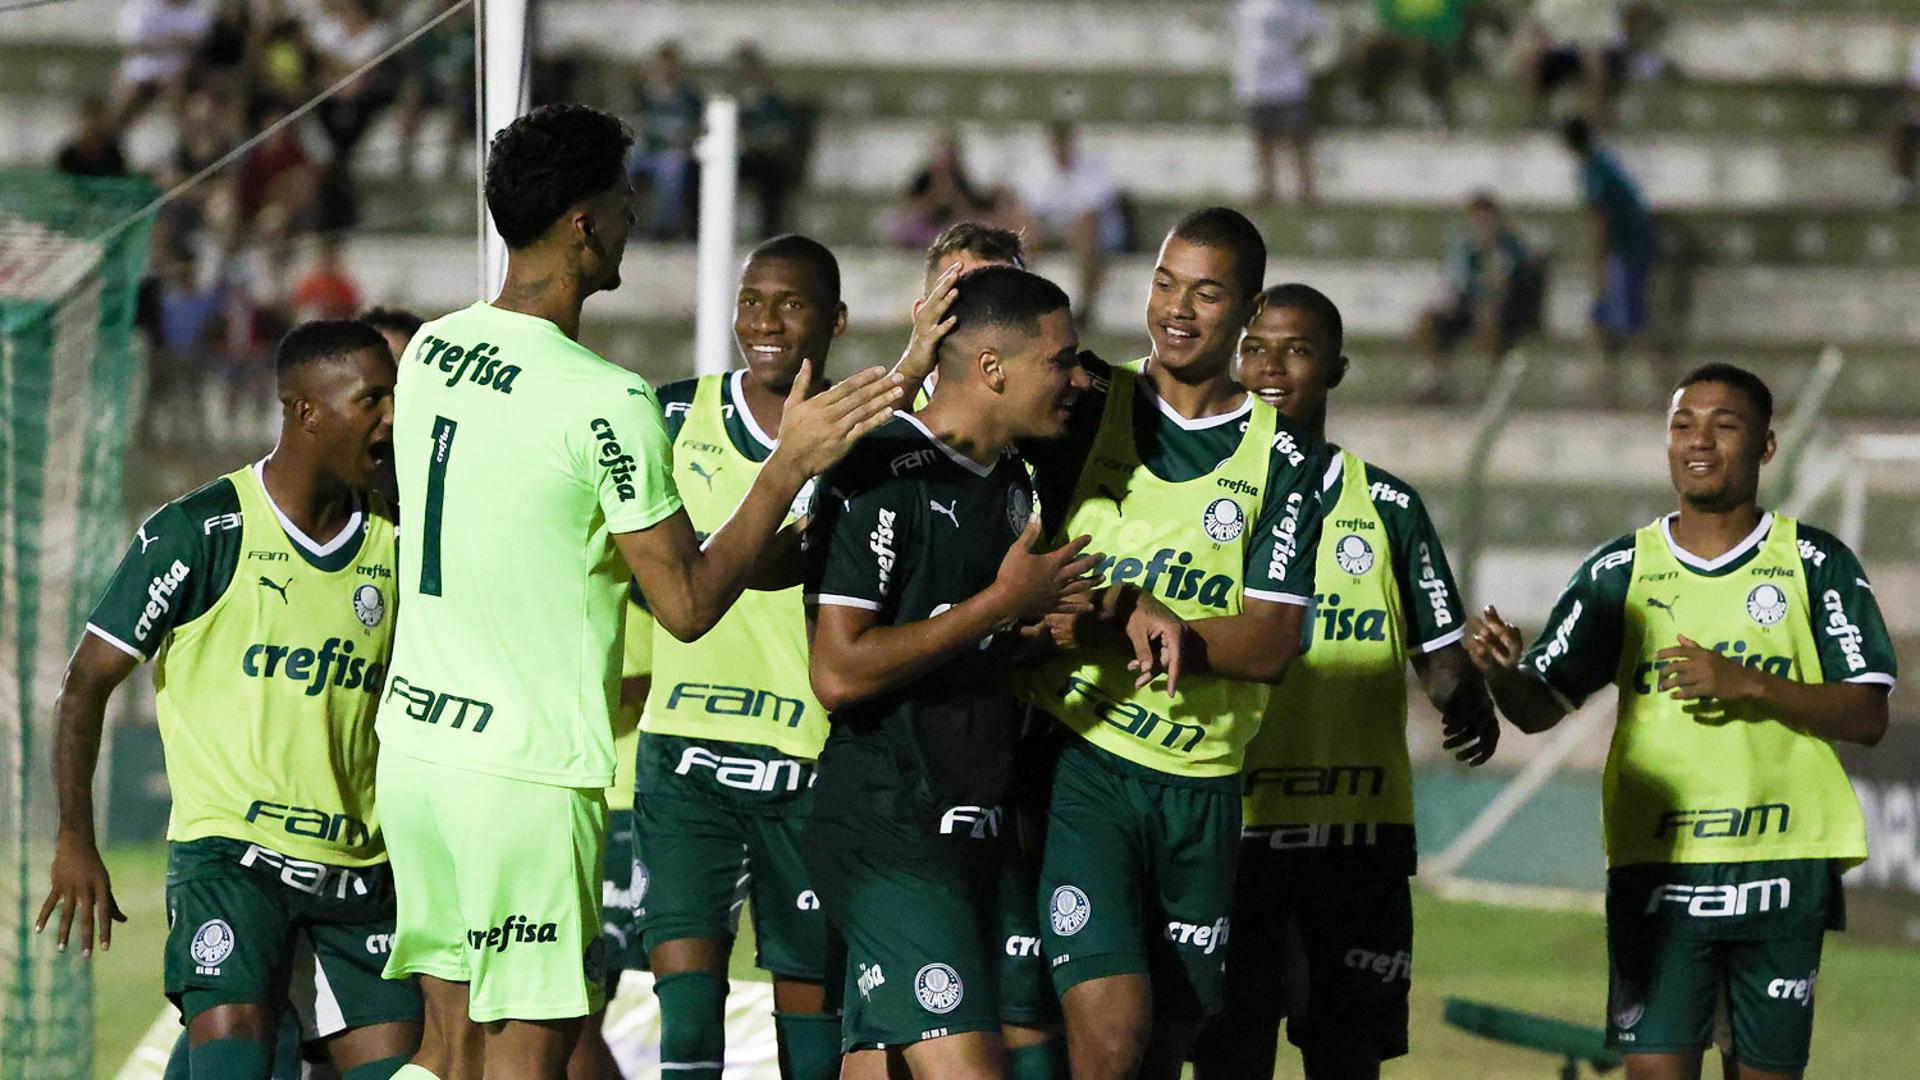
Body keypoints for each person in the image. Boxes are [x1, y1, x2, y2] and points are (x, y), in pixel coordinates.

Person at [370, 103, 899, 1080]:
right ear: (581, 223)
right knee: (526, 1056)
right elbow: (688, 605)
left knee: (446, 1050)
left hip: (416, 754)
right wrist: (785, 469)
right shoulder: (604, 399)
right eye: (621, 200)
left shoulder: (435, 353)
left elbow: (598, 539)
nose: (631, 218)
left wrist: (792, 539)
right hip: (519, 776)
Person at [1465, 364, 1896, 1080]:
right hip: (1658, 865)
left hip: (1781, 862)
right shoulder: (1618, 571)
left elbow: (1868, 712)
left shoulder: (1815, 563)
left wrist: (1747, 682)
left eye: (1724, 424)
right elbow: (1541, 709)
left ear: (1765, 446)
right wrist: (1505, 675)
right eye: (1682, 423)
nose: (1699, 440)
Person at [805, 265, 1178, 1078]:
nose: (1081, 379)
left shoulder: (1014, 483)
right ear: (992, 368)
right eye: (1062, 360)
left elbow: (989, 642)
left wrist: (1104, 616)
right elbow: (837, 672)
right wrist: (1000, 603)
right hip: (888, 824)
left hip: (969, 823)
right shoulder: (880, 470)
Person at [38, 319, 420, 1079]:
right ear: (305, 409)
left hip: (359, 867)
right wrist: (76, 840)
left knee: (406, 1067)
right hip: (231, 858)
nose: (391, 418)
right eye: (373, 398)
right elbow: (84, 684)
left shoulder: (395, 542)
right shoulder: (200, 531)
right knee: (239, 1041)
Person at [1008, 208, 1329, 1079]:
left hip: (1204, 790)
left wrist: (1129, 621)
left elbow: (1268, 642)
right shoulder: (1082, 403)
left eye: (1206, 291)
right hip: (1086, 763)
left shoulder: (1286, 457)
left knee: (1167, 1041)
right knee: (1109, 1034)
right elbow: (1011, 563)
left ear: (1250, 310)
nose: (1176, 308)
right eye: (1163, 282)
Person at [1190, 284, 1500, 1079]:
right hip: (1230, 829)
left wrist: (1473, 683)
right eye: (1254, 348)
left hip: (1355, 835)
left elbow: (1441, 665)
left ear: (1336, 368)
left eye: (1295, 350)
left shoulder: (1388, 506)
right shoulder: (1196, 498)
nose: (1270, 367)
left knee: (1345, 1058)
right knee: (1231, 1055)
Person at [629, 235, 850, 1080]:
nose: (764, 321)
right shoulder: (667, 414)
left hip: (810, 760)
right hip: (683, 755)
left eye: (789, 304)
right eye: (751, 301)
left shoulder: (862, 435)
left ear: (833, 320)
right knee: (687, 1022)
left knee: (811, 1023)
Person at [1415, 192, 1534, 402]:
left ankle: (1491, 384)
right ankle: (1439, 379)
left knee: (1488, 317)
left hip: (1502, 309)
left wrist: (1490, 252)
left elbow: (1504, 283)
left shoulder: (1508, 245)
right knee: (1428, 321)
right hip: (1466, 307)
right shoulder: (1463, 246)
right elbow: (1454, 282)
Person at [1563, 116, 1656, 367]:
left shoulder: (1594, 171)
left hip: (1626, 248)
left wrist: (1598, 261)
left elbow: (1601, 220)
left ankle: (1650, 378)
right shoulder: (1603, 163)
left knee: (1628, 320)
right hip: (1630, 245)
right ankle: (1609, 378)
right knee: (1606, 318)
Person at [1016, 123, 1125, 327]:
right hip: (1058, 233)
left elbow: (1092, 218)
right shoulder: (1037, 172)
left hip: (1100, 236)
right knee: (1026, 236)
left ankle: (1085, 305)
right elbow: (1029, 213)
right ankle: (1022, 301)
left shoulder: (1094, 169)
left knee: (1084, 235)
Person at [1233, 0, 1334, 205]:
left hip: (1289, 80)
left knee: (1297, 138)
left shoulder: (1298, 4)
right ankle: (1267, 188)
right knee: (1263, 138)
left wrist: (1295, 52)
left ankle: (1306, 190)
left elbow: (1315, 29)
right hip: (1257, 80)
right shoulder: (1247, 5)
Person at [628, 43, 704, 240]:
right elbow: (629, 123)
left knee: (672, 167)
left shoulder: (689, 98)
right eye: (661, 66)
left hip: (673, 151)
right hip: (643, 150)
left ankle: (663, 230)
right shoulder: (640, 94)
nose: (666, 71)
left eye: (671, 65)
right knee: (620, 165)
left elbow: (698, 128)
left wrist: (684, 139)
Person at [734, 45, 809, 238]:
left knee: (773, 173)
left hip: (764, 158)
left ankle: (768, 232)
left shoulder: (777, 105)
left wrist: (755, 142)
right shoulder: (731, 102)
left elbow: (782, 137)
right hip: (736, 158)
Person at [890, 135, 1004, 250]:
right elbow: (912, 202)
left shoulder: (959, 179)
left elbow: (971, 203)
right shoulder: (925, 178)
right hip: (927, 224)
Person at [56, 95, 130, 179]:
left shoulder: (113, 156)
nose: (93, 123)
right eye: (89, 116)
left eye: (97, 117)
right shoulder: (68, 155)